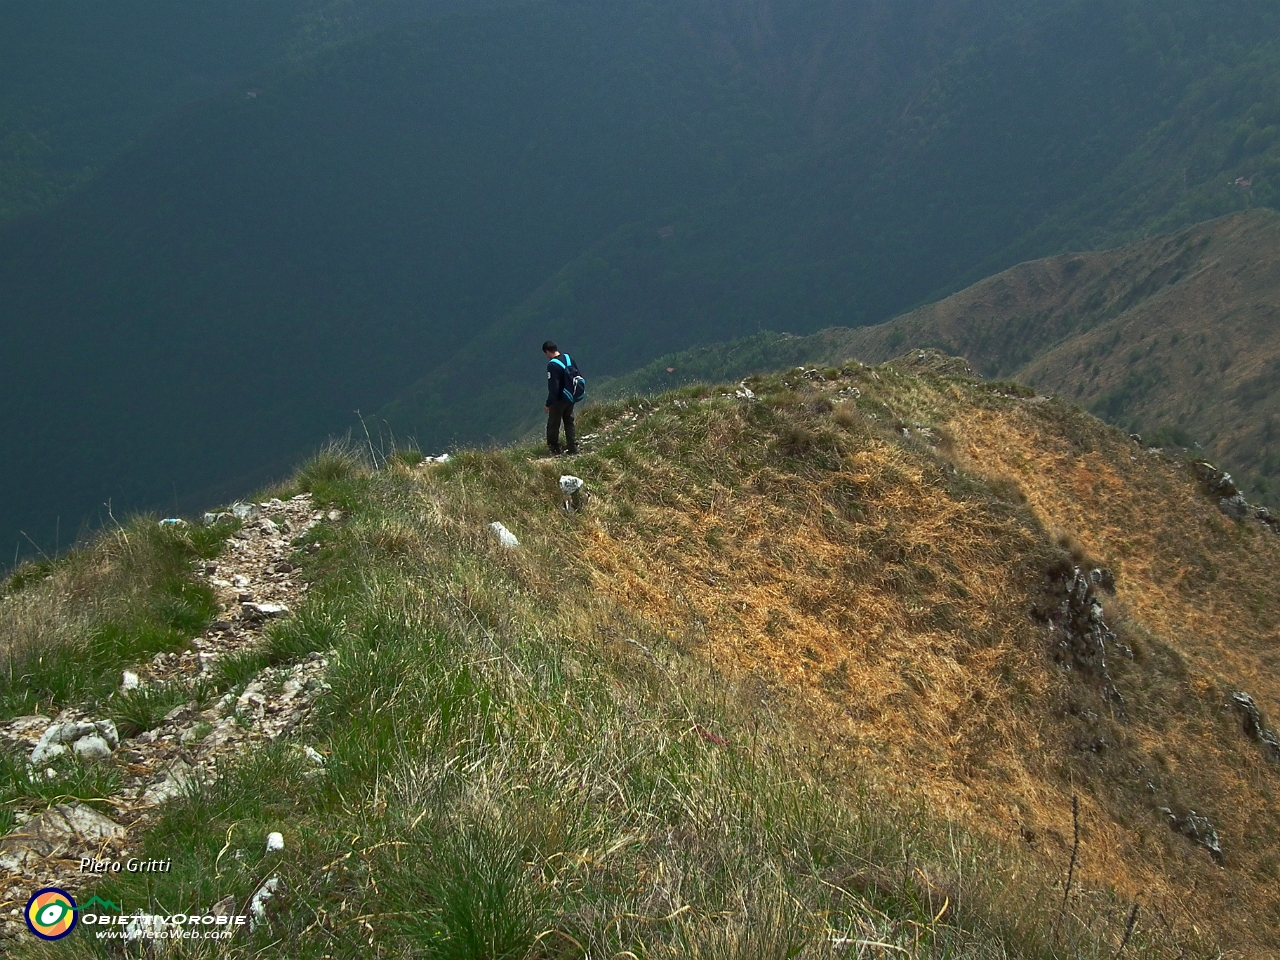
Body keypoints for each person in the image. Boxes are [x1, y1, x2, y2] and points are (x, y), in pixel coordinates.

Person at [543, 340, 578, 456]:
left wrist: (548, 403)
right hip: (571, 396)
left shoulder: (552, 365)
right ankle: (572, 447)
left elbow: (554, 387)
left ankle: (554, 449)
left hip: (559, 399)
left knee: (553, 423)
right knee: (569, 421)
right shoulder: (568, 358)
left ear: (547, 352)